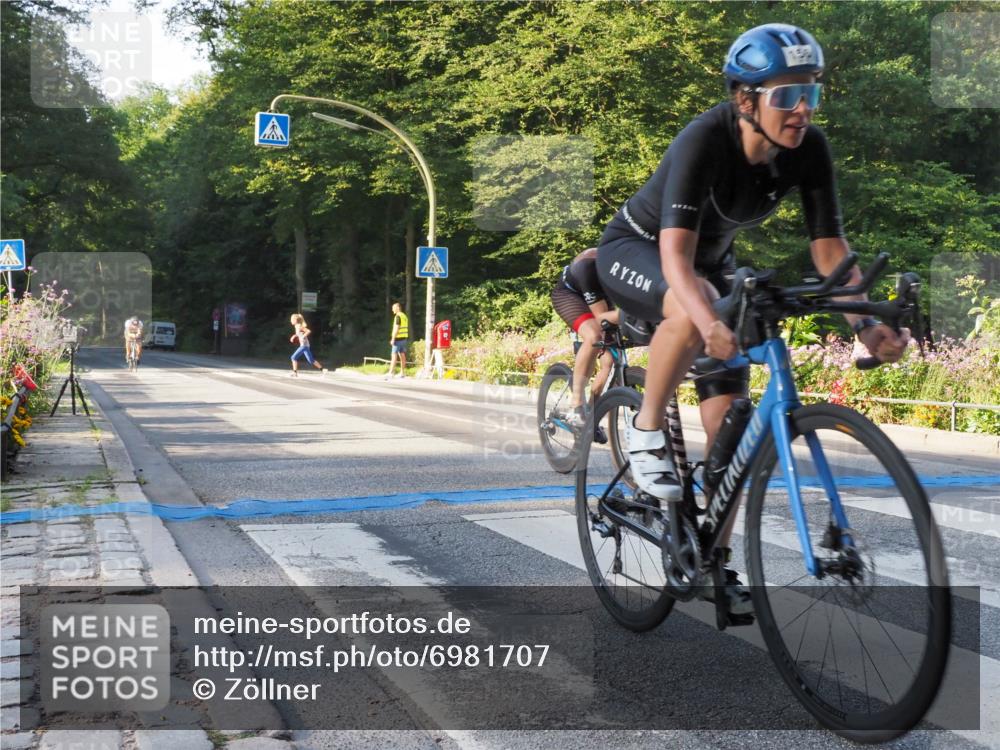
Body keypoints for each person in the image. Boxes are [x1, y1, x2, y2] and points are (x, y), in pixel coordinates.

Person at [595, 24, 910, 613]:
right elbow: (674, 257)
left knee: (729, 436)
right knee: (693, 317)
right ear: (747, 99)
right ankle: (643, 431)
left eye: (811, 93)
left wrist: (865, 322)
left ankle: (709, 557)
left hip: (712, 264)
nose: (802, 110)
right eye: (787, 96)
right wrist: (705, 318)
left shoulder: (807, 149)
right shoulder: (704, 140)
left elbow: (829, 250)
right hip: (639, 251)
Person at [550, 248, 620, 443]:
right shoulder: (588, 267)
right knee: (595, 336)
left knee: (613, 361)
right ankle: (576, 405)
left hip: (601, 294)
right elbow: (602, 318)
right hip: (569, 295)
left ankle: (592, 417)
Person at [386, 302, 409, 379]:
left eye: (393, 308)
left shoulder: (398, 316)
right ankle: (402, 372)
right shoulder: (404, 316)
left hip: (398, 339)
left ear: (398, 308)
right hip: (404, 338)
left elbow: (396, 328)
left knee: (394, 355)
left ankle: (391, 372)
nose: (392, 309)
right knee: (402, 354)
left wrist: (393, 339)